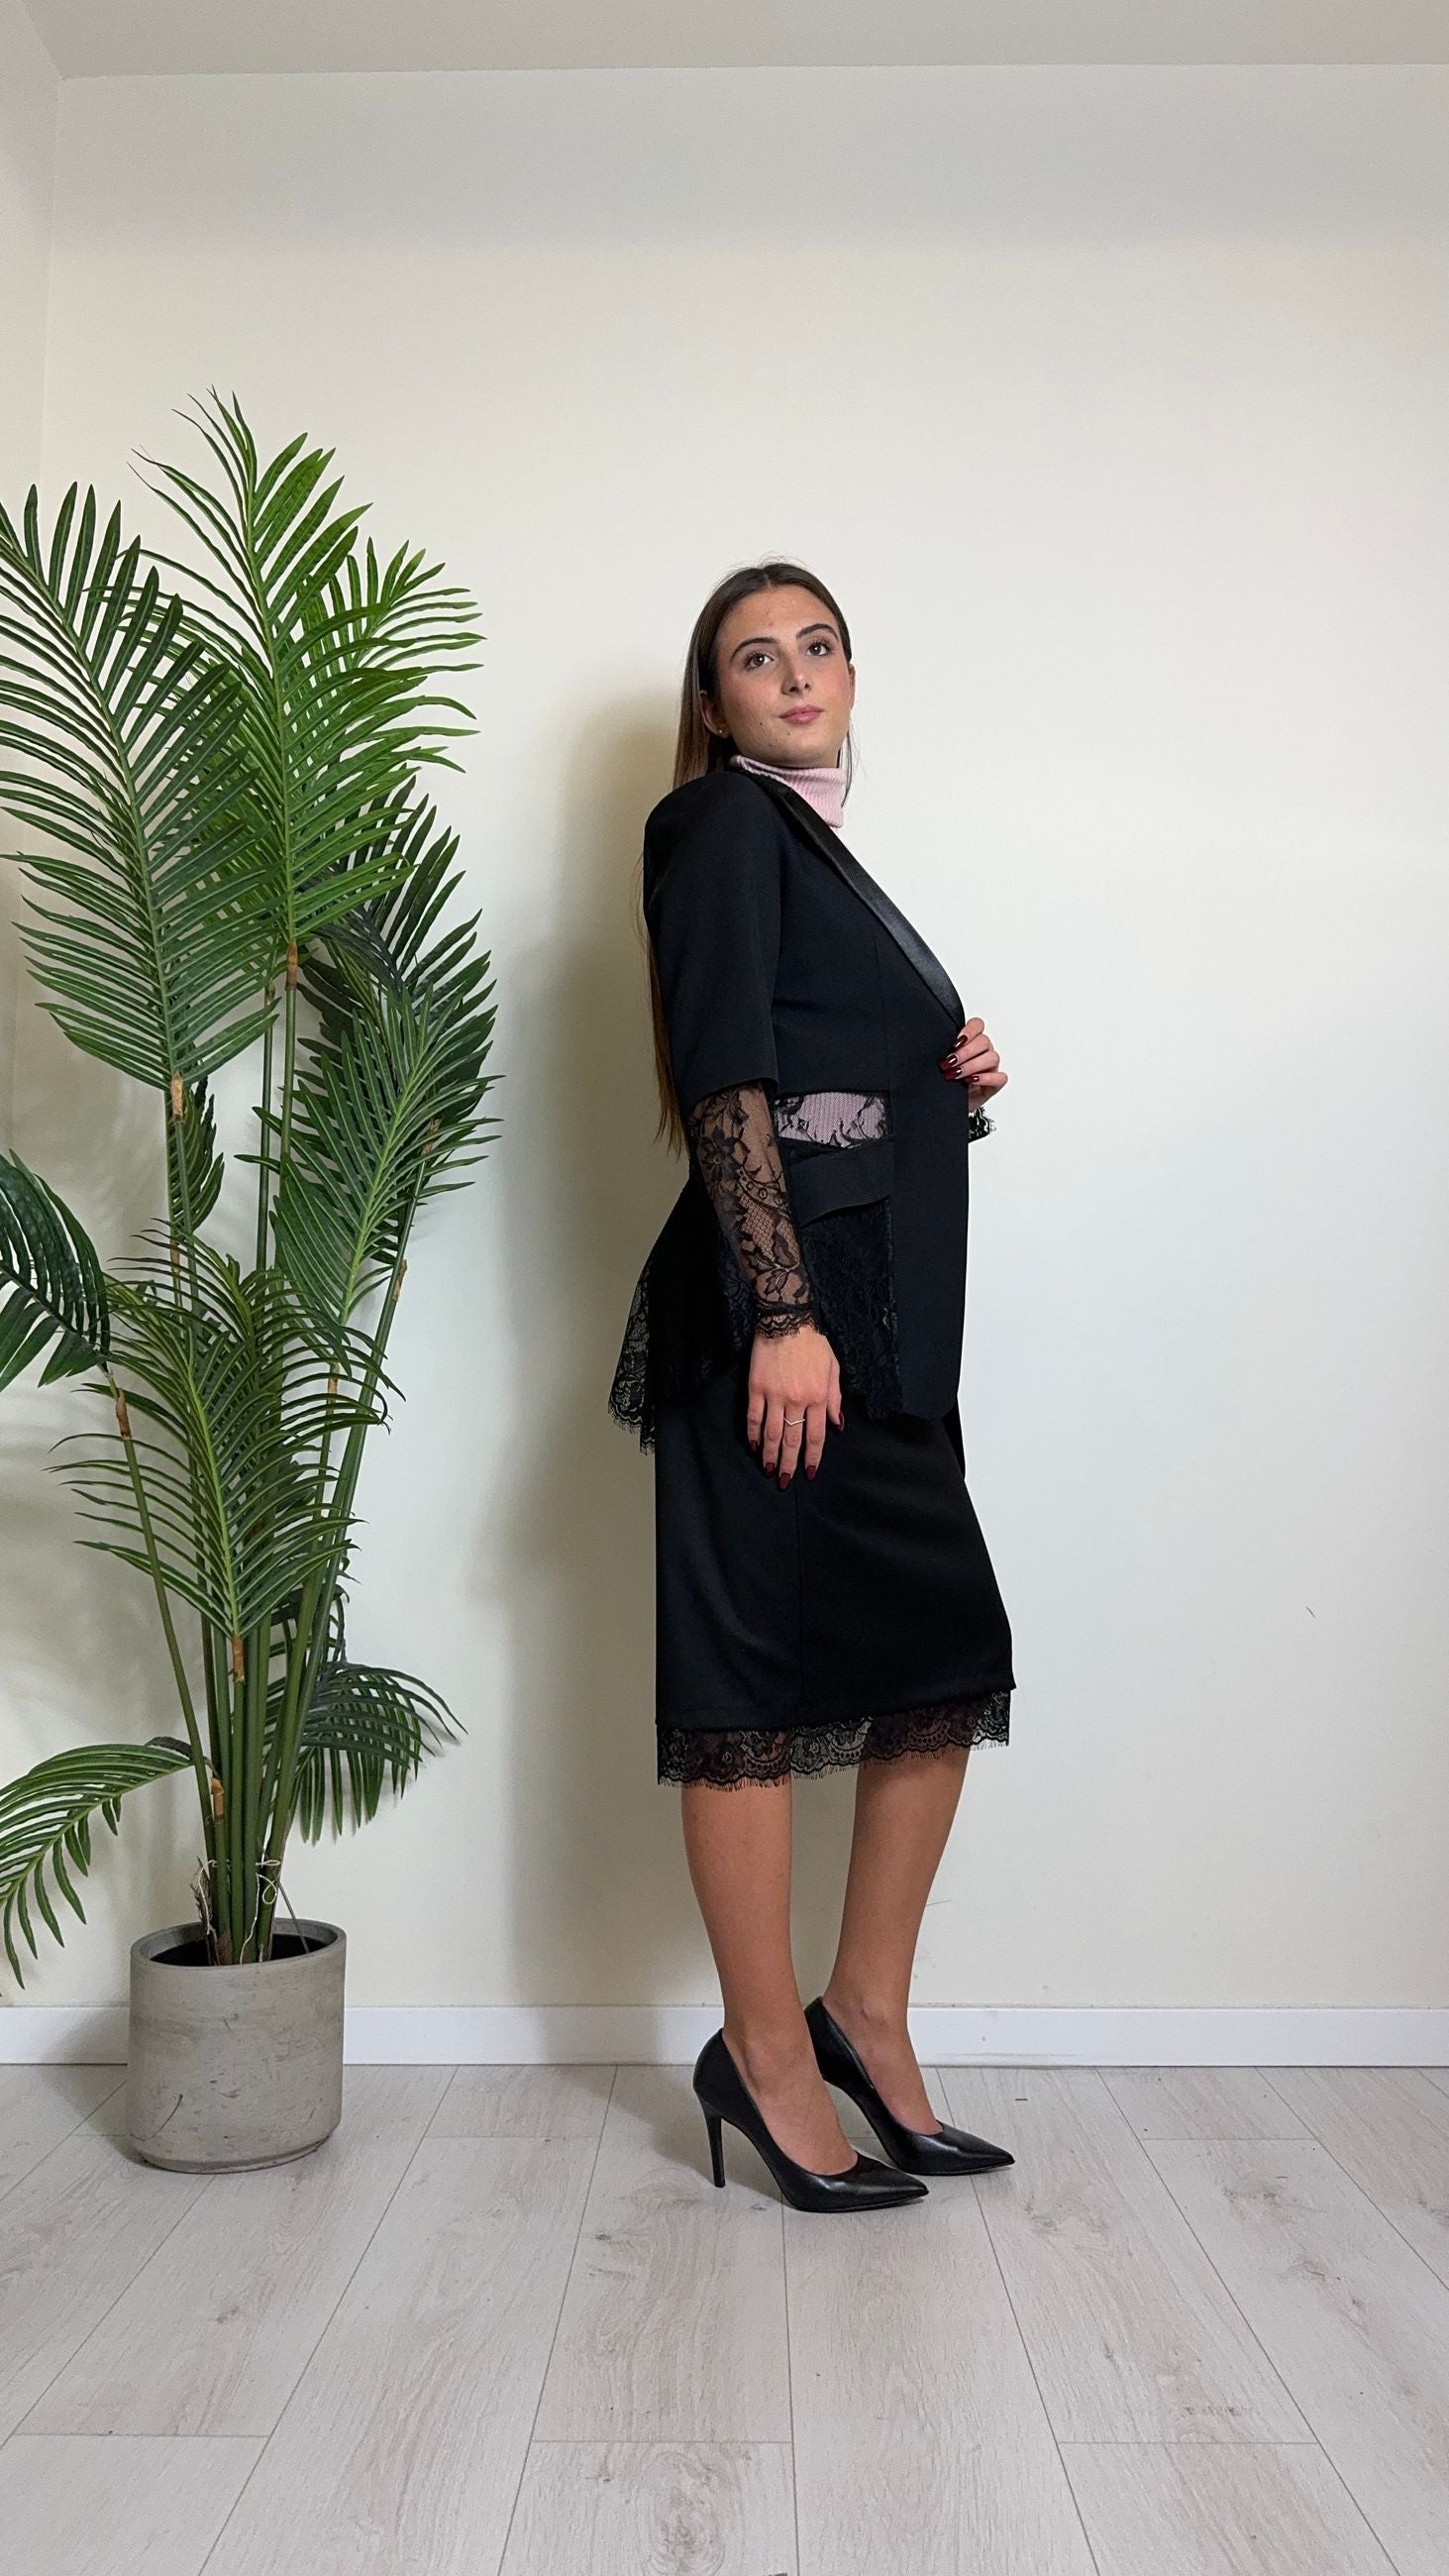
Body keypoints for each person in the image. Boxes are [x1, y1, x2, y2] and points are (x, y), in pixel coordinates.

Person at [608, 561, 1017, 2212]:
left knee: (944, 1658)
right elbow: (729, 1078)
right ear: (713, 706)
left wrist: (946, 1075)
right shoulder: (719, 825)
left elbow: (827, 1089)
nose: (795, 673)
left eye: (819, 646)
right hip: (785, 1321)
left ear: (851, 675)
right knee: (751, 1696)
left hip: (883, 1319)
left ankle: (866, 2016)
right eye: (756, 657)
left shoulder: (817, 852)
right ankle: (768, 2056)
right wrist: (781, 1310)